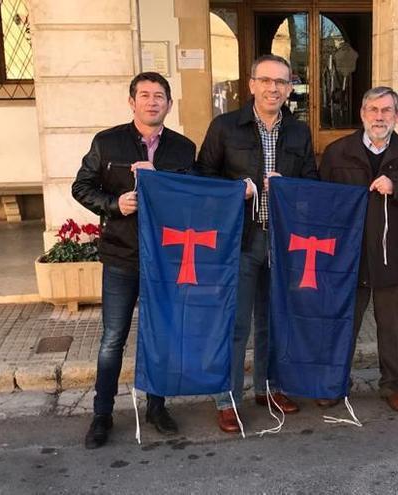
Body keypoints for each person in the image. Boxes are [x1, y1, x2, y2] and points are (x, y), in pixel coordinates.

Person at [72, 72, 196, 449]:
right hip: (121, 256)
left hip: (166, 258)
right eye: (144, 95)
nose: (152, 101)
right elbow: (81, 186)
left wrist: (163, 185)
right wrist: (115, 204)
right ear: (132, 102)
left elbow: (193, 196)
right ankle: (102, 415)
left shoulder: (183, 148)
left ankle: (157, 407)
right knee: (113, 339)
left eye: (160, 96)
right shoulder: (107, 142)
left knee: (161, 336)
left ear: (169, 105)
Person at [195, 54, 318, 433]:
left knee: (274, 321)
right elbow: (203, 177)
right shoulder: (225, 127)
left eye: (281, 82)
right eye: (266, 80)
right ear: (250, 84)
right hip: (240, 241)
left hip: (282, 241)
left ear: (289, 87)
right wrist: (238, 191)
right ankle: (227, 398)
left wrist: (289, 188)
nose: (273, 88)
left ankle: (268, 387)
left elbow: (311, 182)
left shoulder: (298, 132)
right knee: (235, 325)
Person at [319, 86, 398, 413]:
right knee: (344, 324)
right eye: (373, 109)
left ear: (397, 116)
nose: (379, 116)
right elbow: (321, 201)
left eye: (387, 110)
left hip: (392, 255)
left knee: (391, 327)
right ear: (362, 114)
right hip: (349, 257)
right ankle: (336, 383)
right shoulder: (337, 153)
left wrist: (397, 186)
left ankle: (392, 386)